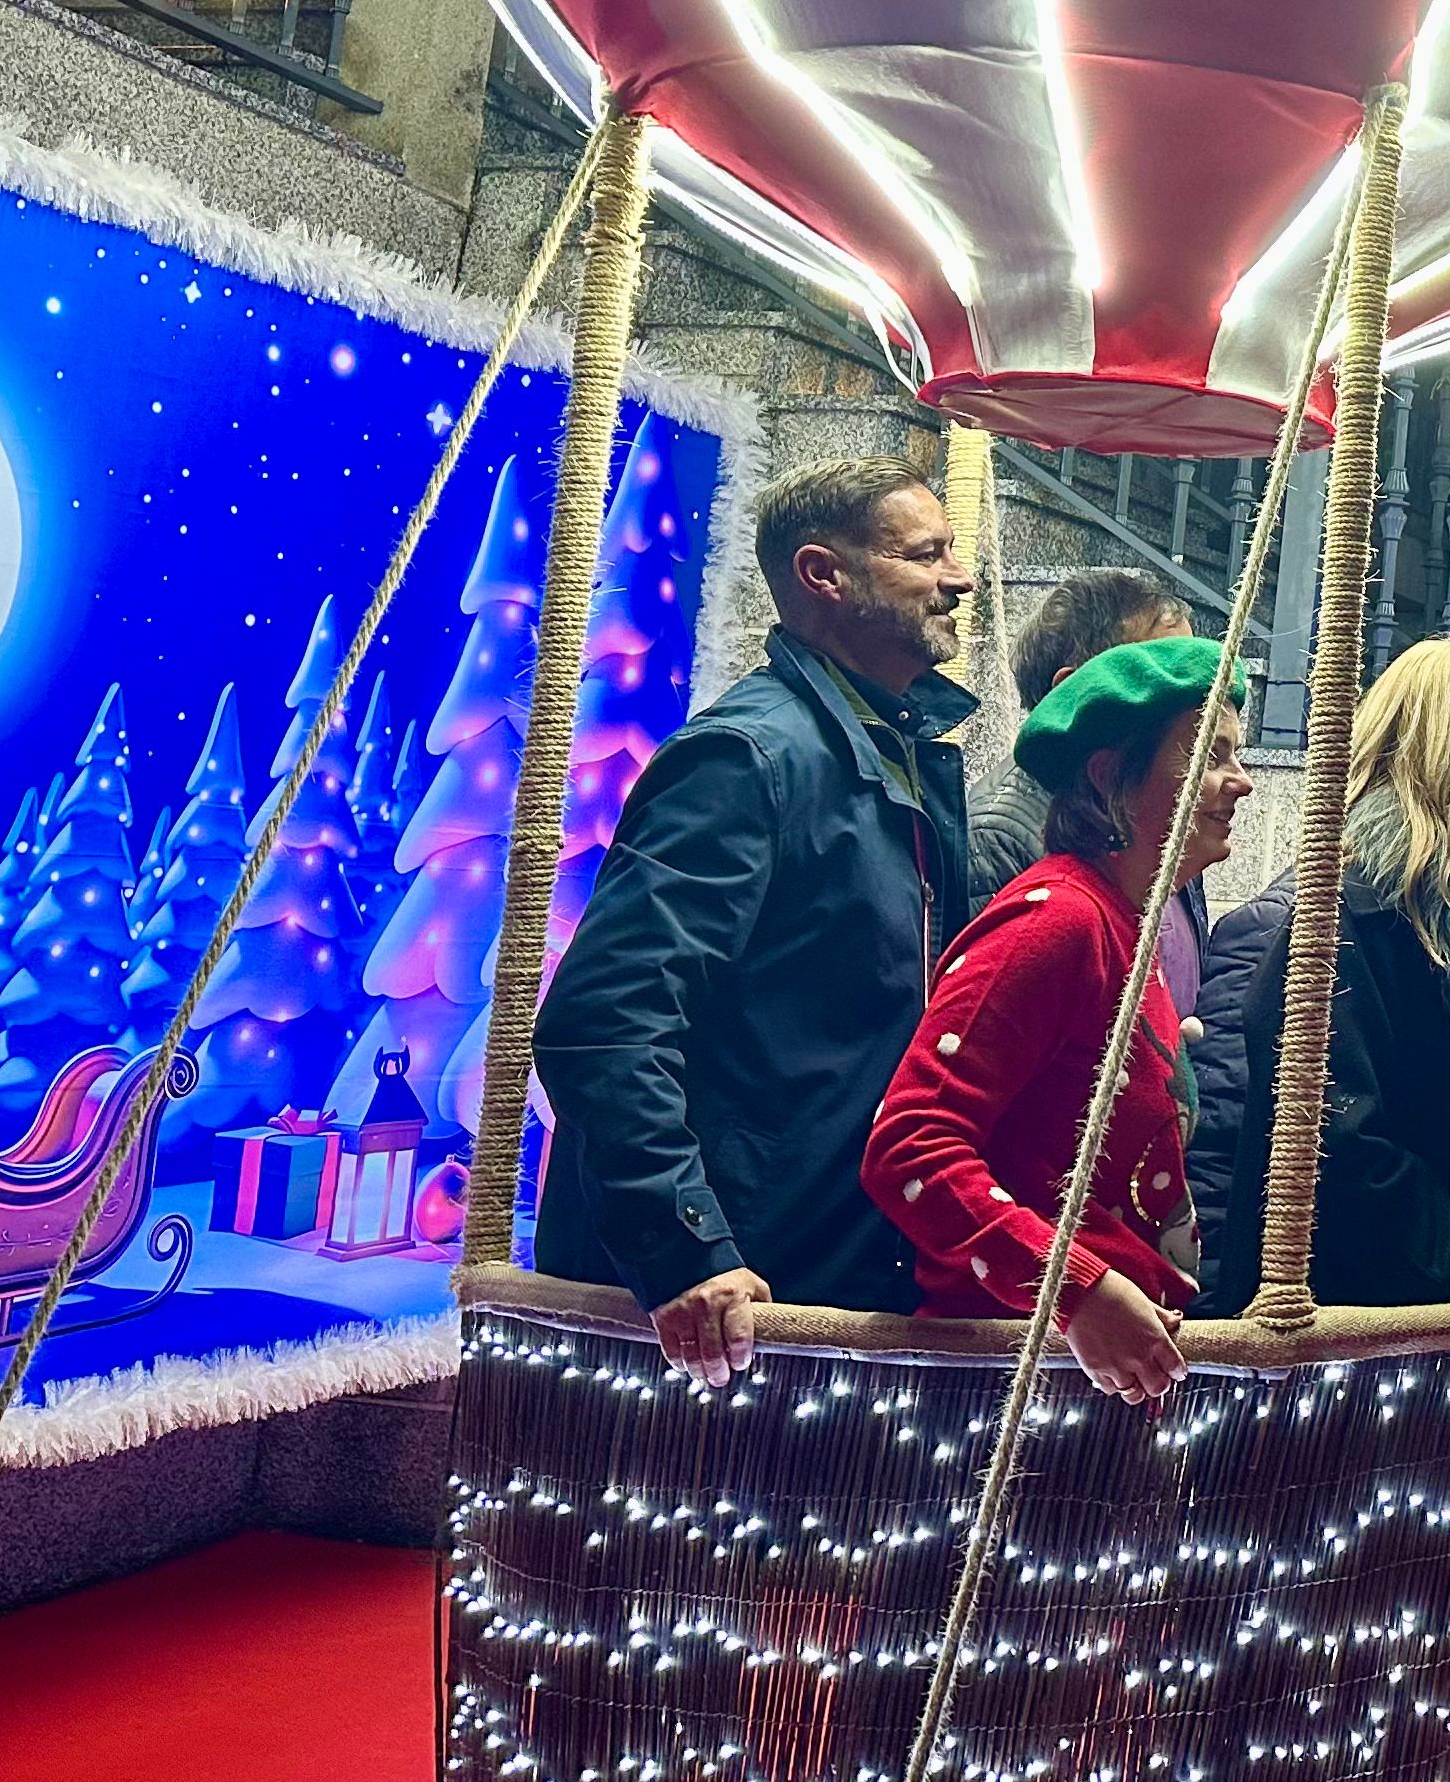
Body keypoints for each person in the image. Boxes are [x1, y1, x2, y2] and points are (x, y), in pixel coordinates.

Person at [532, 455, 975, 1384]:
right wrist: (686, 1245)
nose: (959, 578)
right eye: (927, 555)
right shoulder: (748, 758)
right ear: (825, 574)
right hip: (731, 1298)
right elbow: (603, 1019)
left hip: (821, 1264)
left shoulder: (888, 749)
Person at [867, 635, 1250, 1408]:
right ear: (1112, 775)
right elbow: (910, 1148)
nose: (1239, 783)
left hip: (1086, 1382)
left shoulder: (1123, 925)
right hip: (1010, 1386)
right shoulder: (1058, 922)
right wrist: (1072, 1289)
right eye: (1208, 754)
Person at [1189, 638, 1450, 1314]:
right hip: (1347, 1336)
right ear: (1442, 762)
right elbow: (1339, 1147)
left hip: (1436, 1329)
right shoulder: (1341, 920)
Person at [970, 567, 1186, 897]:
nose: (1192, 695)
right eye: (1161, 675)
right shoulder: (997, 836)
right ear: (1073, 690)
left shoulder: (1162, 801)